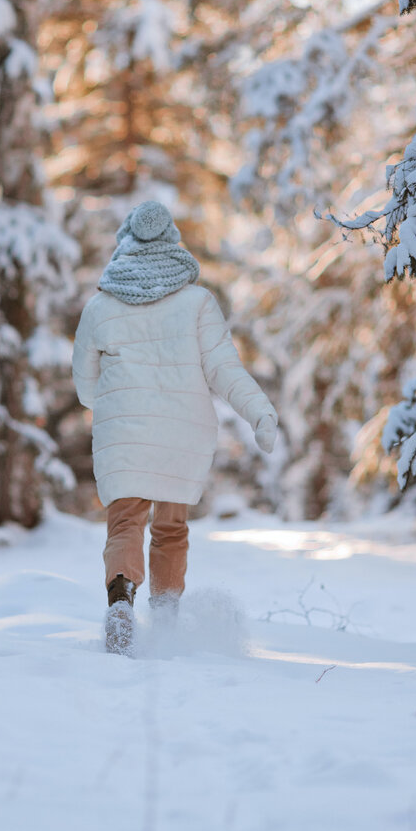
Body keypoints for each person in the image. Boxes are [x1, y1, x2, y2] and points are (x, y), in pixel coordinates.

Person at [72, 200, 278, 654]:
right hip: (183, 435)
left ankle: (121, 600)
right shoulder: (198, 302)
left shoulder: (100, 306)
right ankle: (164, 619)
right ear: (172, 243)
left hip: (123, 434)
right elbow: (224, 370)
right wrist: (260, 412)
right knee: (170, 529)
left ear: (127, 242)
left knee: (124, 522)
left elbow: (85, 388)